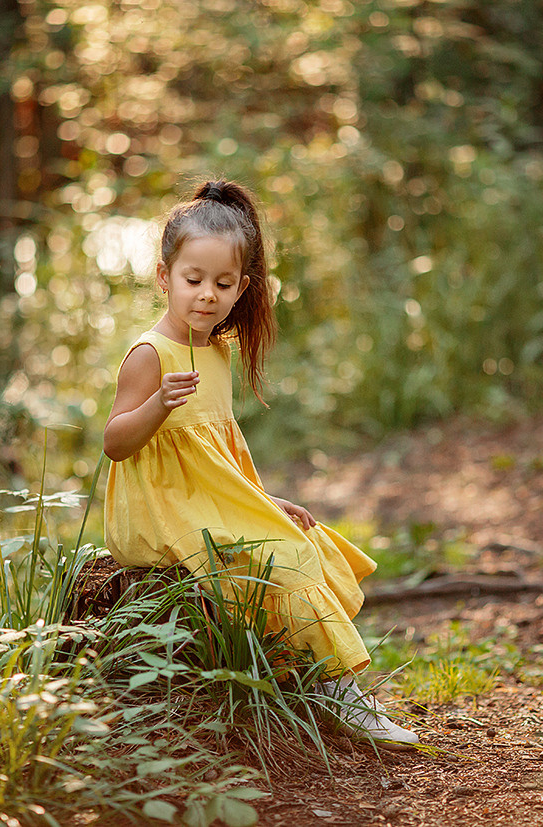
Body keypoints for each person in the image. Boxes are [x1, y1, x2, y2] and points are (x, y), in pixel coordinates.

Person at [102, 179, 419, 748]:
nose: (206, 295)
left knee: (307, 538)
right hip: (160, 511)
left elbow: (218, 463)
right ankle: (338, 692)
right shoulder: (151, 354)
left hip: (205, 501)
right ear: (163, 277)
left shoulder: (217, 352)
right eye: (192, 280)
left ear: (242, 287)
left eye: (222, 284)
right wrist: (156, 405)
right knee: (285, 558)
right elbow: (115, 443)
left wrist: (264, 502)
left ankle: (308, 678)